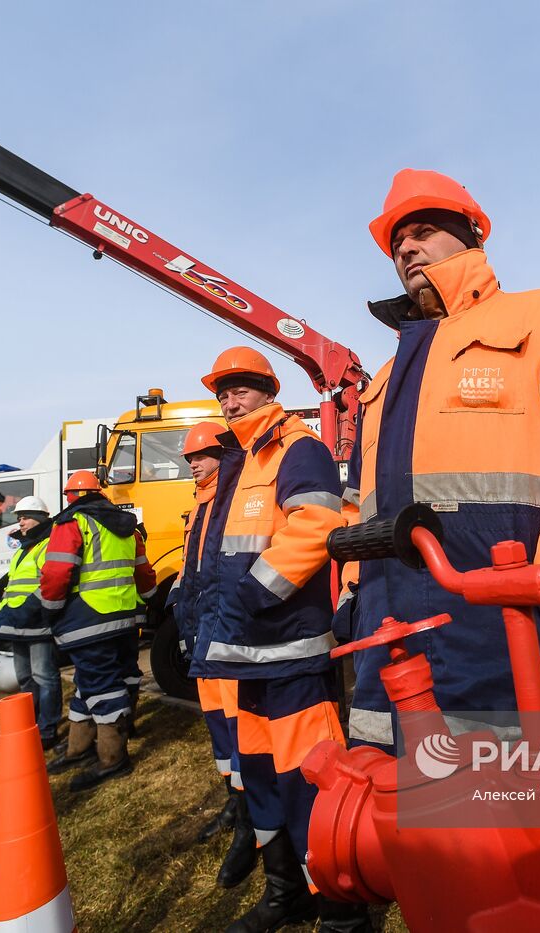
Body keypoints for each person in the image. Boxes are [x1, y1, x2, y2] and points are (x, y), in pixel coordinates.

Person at [339, 168, 540, 755]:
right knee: (420, 831)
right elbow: (357, 514)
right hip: (395, 667)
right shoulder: (383, 382)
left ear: (472, 235)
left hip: (530, 659)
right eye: (396, 243)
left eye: (423, 230)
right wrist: (353, 602)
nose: (406, 248)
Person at [188, 348, 350, 933]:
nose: (230, 402)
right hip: (244, 657)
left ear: (267, 389)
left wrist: (253, 595)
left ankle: (340, 909)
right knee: (261, 779)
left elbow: (315, 524)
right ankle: (286, 892)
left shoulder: (298, 447)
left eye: (241, 390)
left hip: (289, 653)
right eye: (223, 393)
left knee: (312, 783)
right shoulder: (241, 461)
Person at [171, 419, 258, 889]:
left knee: (239, 727)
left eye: (200, 457)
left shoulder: (231, 498)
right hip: (203, 632)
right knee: (219, 728)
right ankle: (234, 802)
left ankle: (251, 823)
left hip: (225, 635)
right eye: (189, 460)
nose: (193, 466)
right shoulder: (201, 504)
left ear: (222, 456)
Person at [42, 470, 157, 792]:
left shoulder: (72, 523)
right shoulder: (126, 526)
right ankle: (80, 748)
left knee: (100, 684)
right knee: (103, 679)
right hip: (124, 616)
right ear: (101, 493)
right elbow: (143, 573)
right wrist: (150, 601)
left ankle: (112, 758)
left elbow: (56, 572)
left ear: (70, 497)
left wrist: (50, 609)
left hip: (88, 619)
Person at [0, 495, 61, 749]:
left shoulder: (48, 544)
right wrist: (4, 614)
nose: (21, 523)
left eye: (25, 517)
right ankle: (33, 725)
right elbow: (12, 586)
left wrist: (28, 610)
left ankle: (48, 729)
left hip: (37, 623)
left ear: (40, 518)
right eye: (19, 518)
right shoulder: (23, 549)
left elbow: (49, 583)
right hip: (16, 623)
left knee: (44, 677)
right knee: (26, 678)